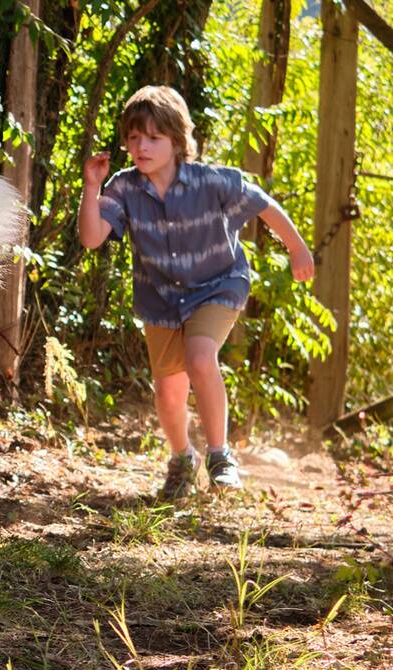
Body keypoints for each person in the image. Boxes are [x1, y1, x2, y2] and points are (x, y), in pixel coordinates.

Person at [79, 85, 315, 499]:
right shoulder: (125, 187)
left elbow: (264, 204)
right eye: (134, 138)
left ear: (177, 140)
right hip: (161, 298)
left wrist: (296, 247)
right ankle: (182, 458)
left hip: (218, 283)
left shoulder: (212, 181)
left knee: (200, 356)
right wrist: (90, 187)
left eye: (153, 137)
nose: (141, 146)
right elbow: (91, 238)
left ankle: (220, 455)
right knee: (169, 390)